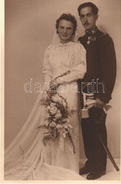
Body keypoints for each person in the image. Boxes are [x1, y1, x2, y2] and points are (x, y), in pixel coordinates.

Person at [4, 13, 86, 180]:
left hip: (69, 90)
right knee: (52, 126)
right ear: (57, 29)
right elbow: (47, 71)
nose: (65, 31)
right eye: (62, 27)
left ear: (73, 30)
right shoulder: (50, 50)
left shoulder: (78, 48)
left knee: (69, 126)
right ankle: (52, 166)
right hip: (52, 92)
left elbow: (80, 70)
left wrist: (60, 80)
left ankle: (68, 168)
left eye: (69, 28)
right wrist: (49, 88)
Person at [77, 2, 116, 180]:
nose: (85, 19)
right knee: (86, 127)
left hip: (98, 92)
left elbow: (110, 70)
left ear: (96, 17)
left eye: (89, 15)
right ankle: (91, 161)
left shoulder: (104, 39)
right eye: (82, 16)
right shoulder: (80, 41)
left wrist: (103, 97)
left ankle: (100, 166)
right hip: (83, 92)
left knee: (98, 127)